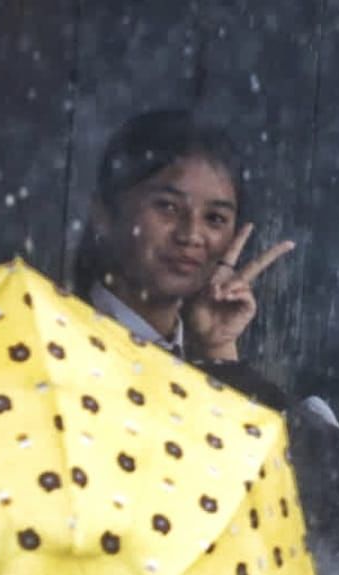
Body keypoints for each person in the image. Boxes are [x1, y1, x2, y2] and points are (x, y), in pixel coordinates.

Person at [72, 109, 292, 408]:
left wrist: (218, 351)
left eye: (214, 218)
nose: (191, 234)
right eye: (168, 207)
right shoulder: (56, 343)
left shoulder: (211, 356)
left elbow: (246, 450)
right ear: (104, 215)